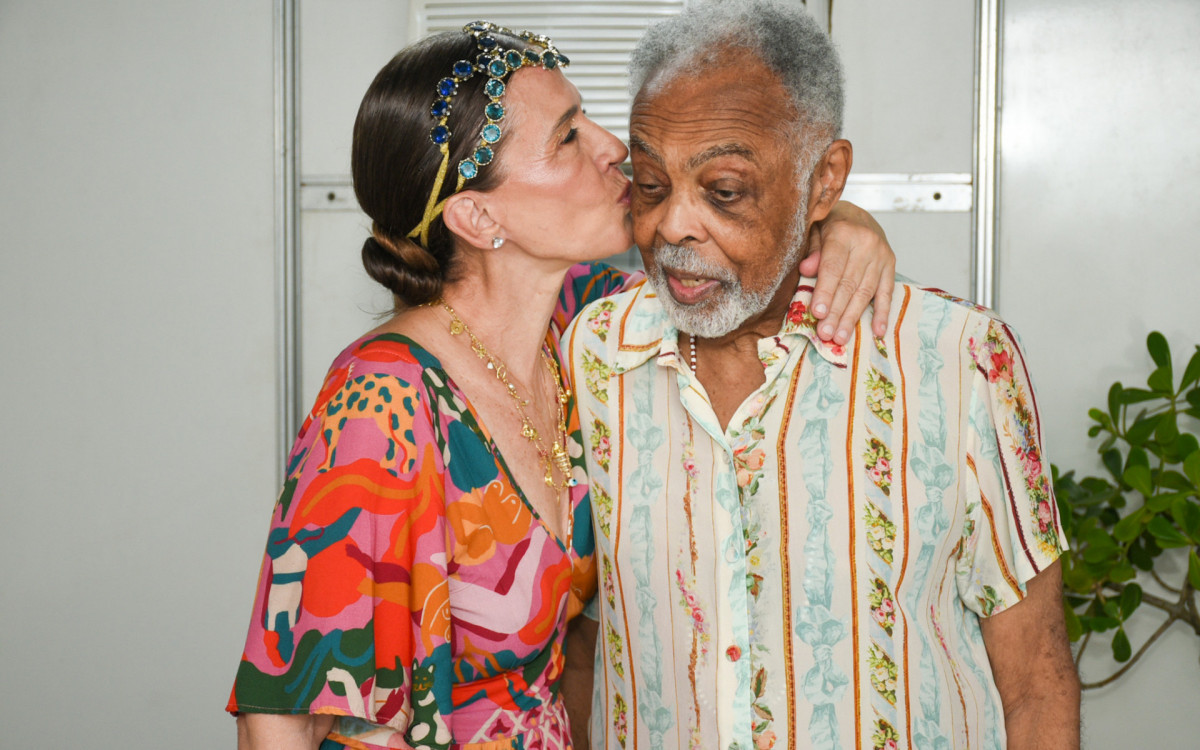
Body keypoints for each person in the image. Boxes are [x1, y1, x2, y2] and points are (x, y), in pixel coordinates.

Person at [227, 19, 897, 750]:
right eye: (570, 136)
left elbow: (739, 245)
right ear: (479, 216)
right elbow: (282, 707)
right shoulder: (381, 402)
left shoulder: (579, 326)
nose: (618, 150)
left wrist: (842, 222)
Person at [564, 1, 1081, 749]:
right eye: (649, 184)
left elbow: (1036, 676)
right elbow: (582, 651)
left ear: (824, 179)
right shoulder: (589, 357)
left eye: (725, 191)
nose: (672, 225)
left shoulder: (961, 359)